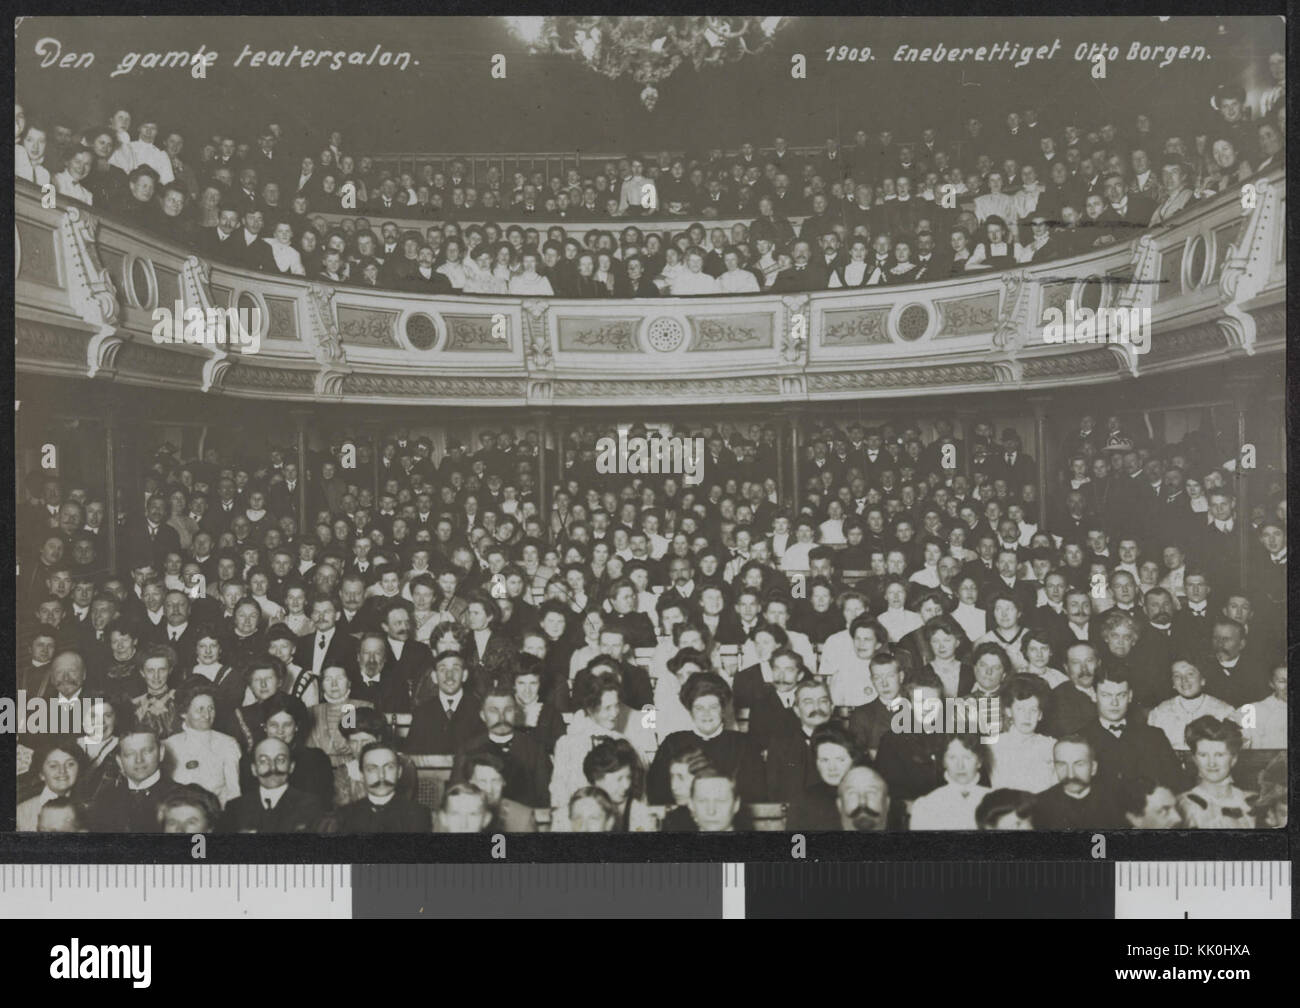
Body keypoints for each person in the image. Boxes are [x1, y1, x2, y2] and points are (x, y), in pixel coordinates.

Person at [162, 679, 243, 807]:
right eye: (200, 709)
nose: (207, 715)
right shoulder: (169, 746)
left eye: (211, 708)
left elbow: (234, 792)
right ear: (184, 713)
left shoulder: (228, 744)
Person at [221, 736, 325, 832]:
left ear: (291, 767)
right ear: (254, 769)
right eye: (263, 761)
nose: (272, 768)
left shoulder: (311, 806)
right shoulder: (235, 809)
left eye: (280, 760)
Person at [335, 741, 433, 833]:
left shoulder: (418, 814)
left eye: (389, 767)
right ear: (362, 775)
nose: (381, 775)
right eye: (372, 769)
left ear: (399, 772)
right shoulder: (345, 816)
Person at [1178, 716, 1254, 829]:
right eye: (1203, 755)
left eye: (1219, 755)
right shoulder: (1183, 805)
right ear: (1194, 758)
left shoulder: (1252, 802)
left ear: (1233, 759)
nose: (1211, 763)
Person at [1033, 736, 1121, 829]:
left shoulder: (1117, 802)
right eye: (1062, 764)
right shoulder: (1038, 806)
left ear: (1093, 768)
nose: (1070, 775)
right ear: (1055, 767)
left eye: (1079, 764)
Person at [908, 735, 991, 829]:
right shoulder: (926, 805)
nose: (960, 766)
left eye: (967, 757)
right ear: (943, 762)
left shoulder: (995, 800)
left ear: (979, 761)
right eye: (952, 758)